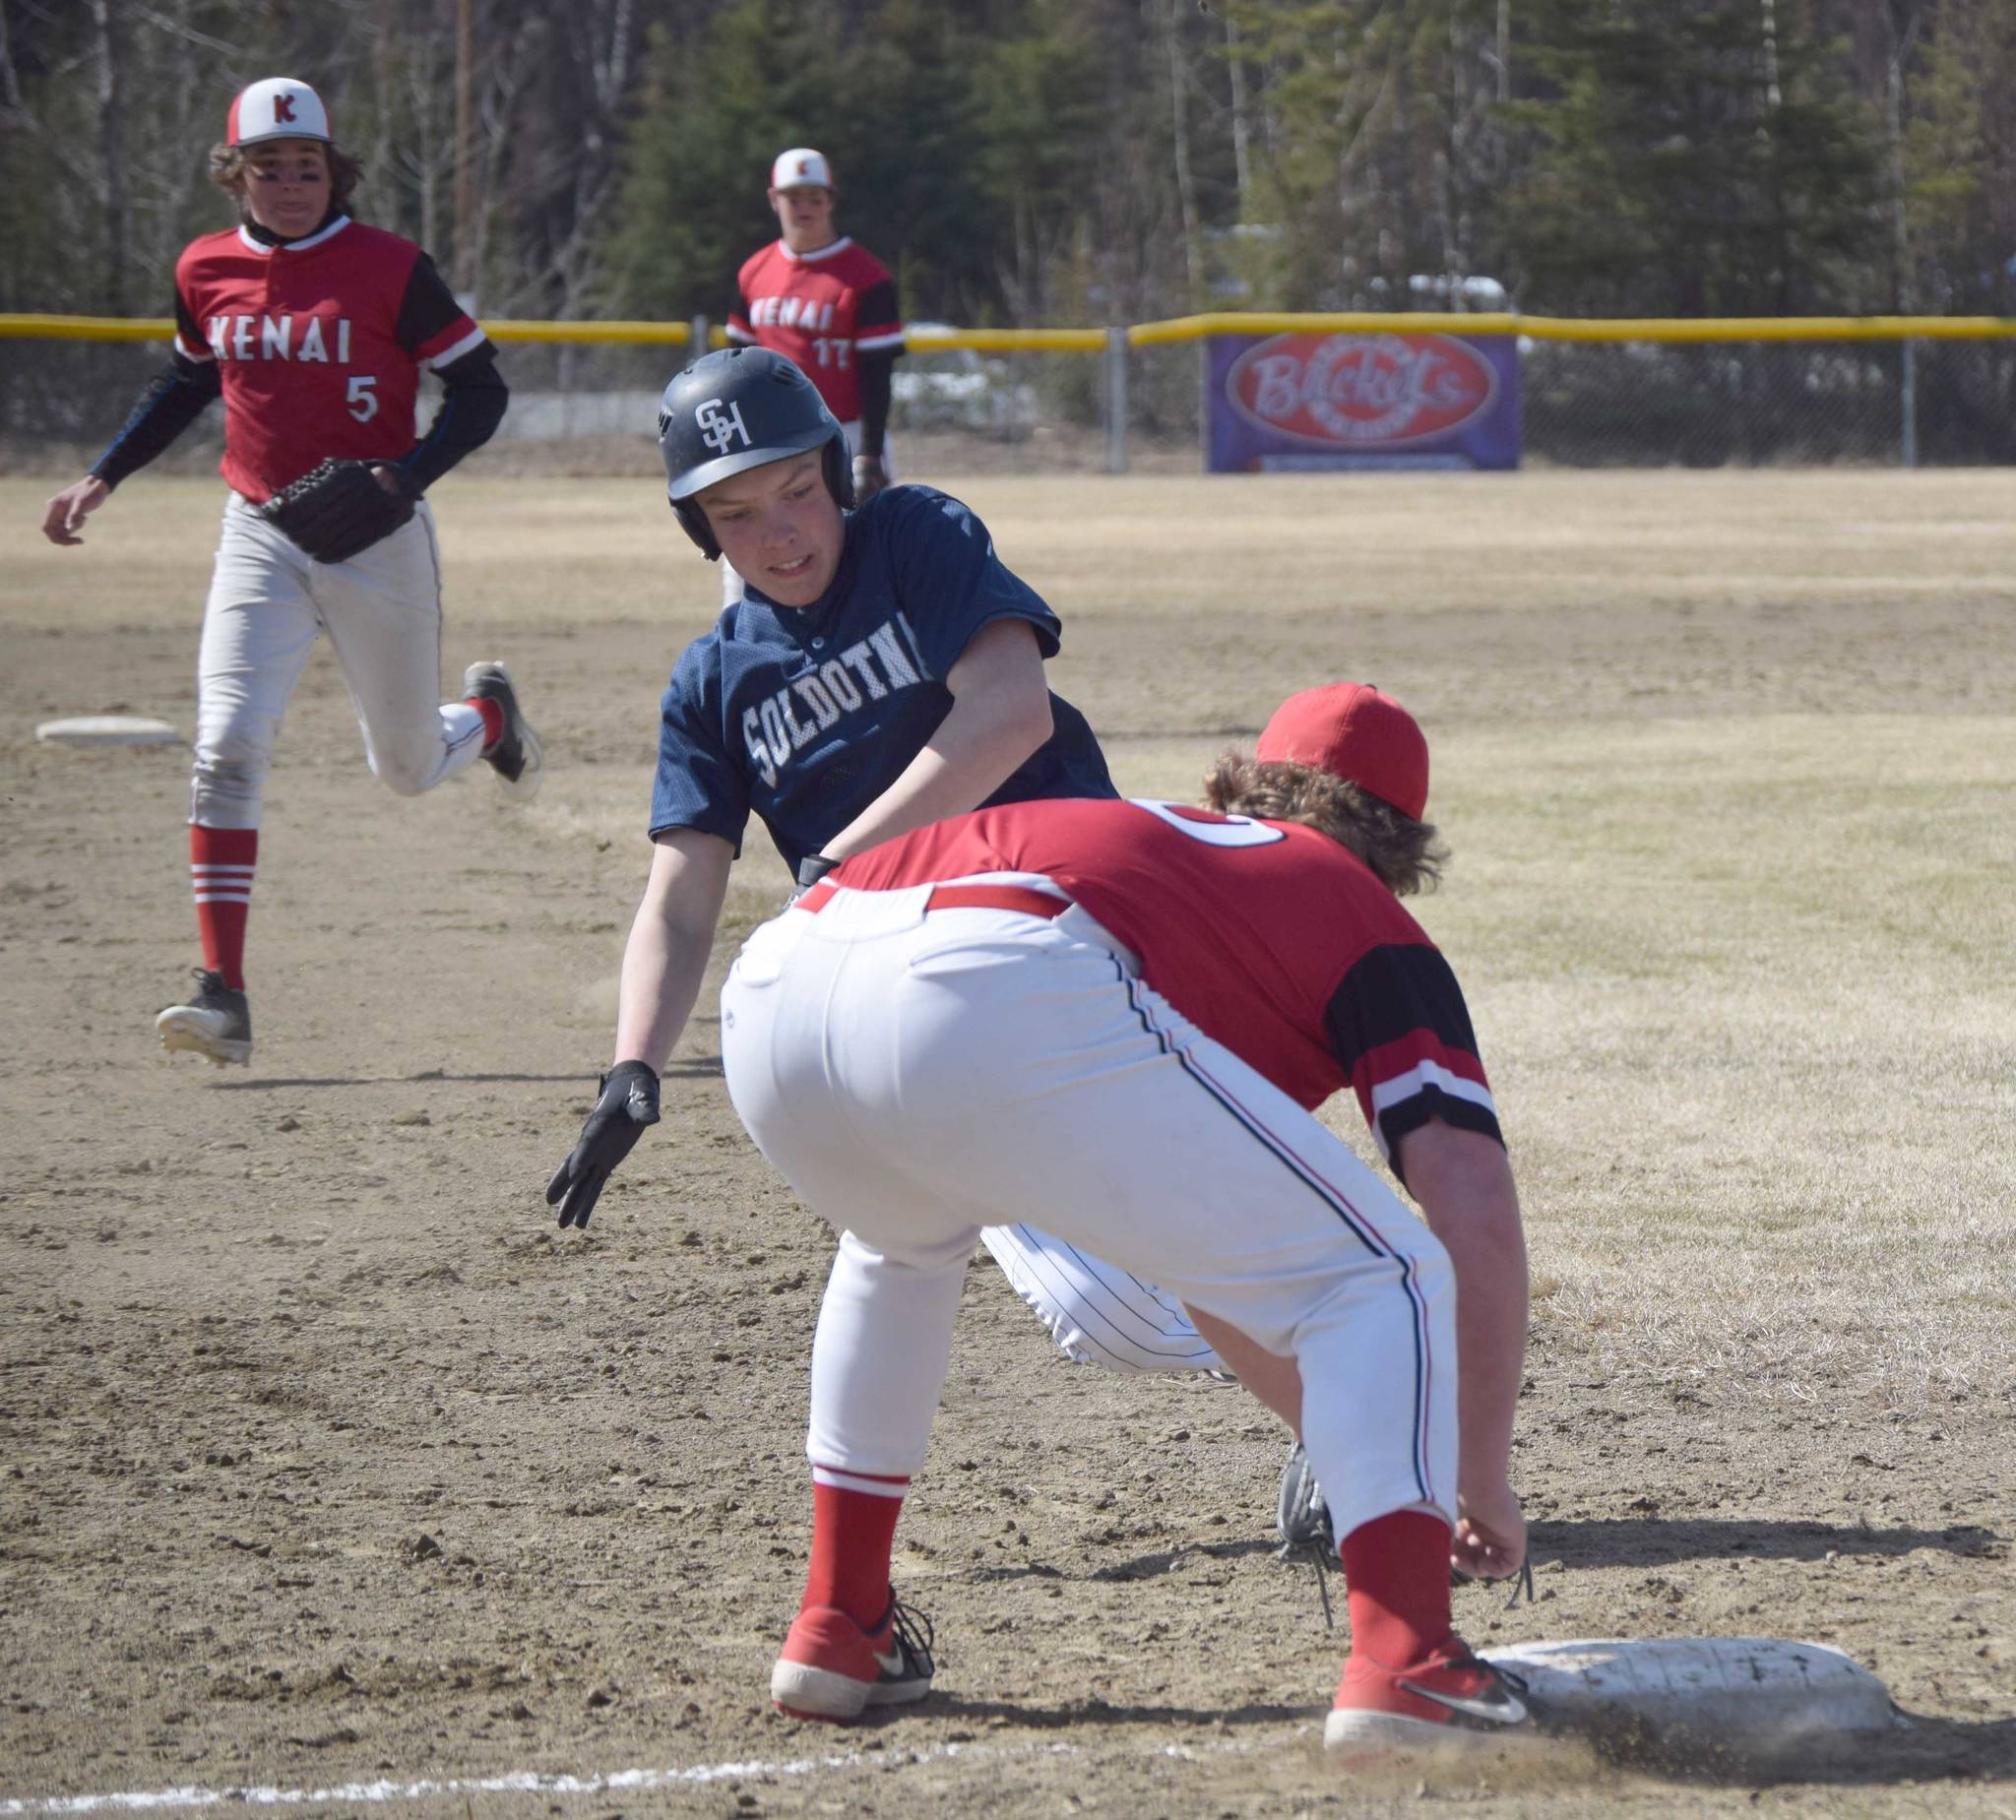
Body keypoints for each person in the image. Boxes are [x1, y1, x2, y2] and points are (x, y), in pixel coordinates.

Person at [717, 682, 1534, 1755]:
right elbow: (1468, 1210)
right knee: (1387, 1275)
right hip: (987, 975)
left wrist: (1370, 1454)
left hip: (778, 981)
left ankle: (838, 1620)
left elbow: (1214, 1258)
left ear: (1246, 784)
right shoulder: (1353, 908)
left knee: (899, 1243)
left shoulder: (1170, 864)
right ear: (1398, 848)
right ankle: (1406, 1658)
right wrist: (1470, 1473)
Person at [37, 76, 538, 1069]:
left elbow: (480, 390)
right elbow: (187, 379)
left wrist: (405, 476)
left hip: (377, 537)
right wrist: (104, 476)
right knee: (226, 745)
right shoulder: (204, 266)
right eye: (269, 166)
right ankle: (222, 993)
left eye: (308, 165)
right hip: (259, 531)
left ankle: (485, 720)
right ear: (238, 176)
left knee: (402, 770)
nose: (292, 182)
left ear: (332, 170)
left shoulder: (391, 267)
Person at [722, 147, 903, 602]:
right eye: (793, 196)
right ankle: (743, 658)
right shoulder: (755, 271)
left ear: (830, 200)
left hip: (843, 433)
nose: (803, 207)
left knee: (858, 561)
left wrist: (870, 453)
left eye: (814, 197)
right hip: (768, 439)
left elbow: (877, 374)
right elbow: (735, 368)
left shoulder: (866, 276)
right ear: (773, 199)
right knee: (747, 562)